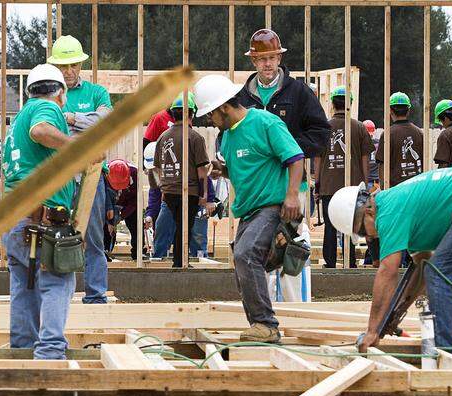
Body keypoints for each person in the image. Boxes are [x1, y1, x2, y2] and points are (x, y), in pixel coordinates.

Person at [328, 166, 452, 353]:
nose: (369, 237)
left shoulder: (388, 210)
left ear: (368, 211)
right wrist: (395, 313)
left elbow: (388, 272)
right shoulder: (403, 206)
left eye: (363, 231)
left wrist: (372, 330)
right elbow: (421, 268)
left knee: (440, 275)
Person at [195, 74, 304, 343]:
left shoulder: (265, 122)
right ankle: (259, 324)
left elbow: (295, 157)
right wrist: (225, 171)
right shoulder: (228, 138)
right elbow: (246, 169)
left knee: (245, 255)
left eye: (211, 114)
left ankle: (265, 325)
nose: (209, 120)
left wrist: (291, 196)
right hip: (248, 211)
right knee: (243, 261)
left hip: (270, 206)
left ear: (223, 107)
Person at [1, 63, 77, 359]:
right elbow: (41, 130)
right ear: (60, 92)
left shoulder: (18, 119)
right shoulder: (47, 108)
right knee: (59, 281)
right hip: (42, 219)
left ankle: (22, 350)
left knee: (24, 285)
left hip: (15, 218)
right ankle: (50, 352)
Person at [48, 35, 111, 304]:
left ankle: (96, 295)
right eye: (64, 66)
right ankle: (58, 295)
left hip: (91, 175)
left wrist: (74, 119)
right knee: (57, 236)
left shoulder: (96, 92)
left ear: (81, 65)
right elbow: (48, 130)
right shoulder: (49, 96)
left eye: (74, 65)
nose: (69, 71)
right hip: (60, 177)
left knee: (93, 237)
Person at [236, 29, 330, 158]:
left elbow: (321, 132)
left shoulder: (299, 92)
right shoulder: (242, 97)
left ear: (279, 58)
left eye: (272, 58)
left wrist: (288, 149)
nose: (268, 64)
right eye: (262, 59)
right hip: (254, 175)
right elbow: (228, 133)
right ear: (254, 61)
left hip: (289, 174)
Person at [316, 87, 373, 269]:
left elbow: (318, 158)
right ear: (349, 103)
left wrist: (317, 183)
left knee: (330, 225)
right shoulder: (359, 127)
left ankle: (330, 263)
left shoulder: (324, 127)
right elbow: (365, 159)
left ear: (333, 104)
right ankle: (350, 262)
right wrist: (364, 183)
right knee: (351, 223)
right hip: (352, 187)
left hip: (329, 185)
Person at [154, 92, 210, 268]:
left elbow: (157, 168)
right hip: (189, 191)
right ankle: (180, 262)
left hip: (169, 191)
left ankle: (179, 261)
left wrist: (163, 189)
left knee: (178, 225)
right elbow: (201, 170)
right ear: (191, 114)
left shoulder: (163, 137)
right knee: (184, 228)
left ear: (172, 113)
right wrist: (203, 194)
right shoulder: (195, 138)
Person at [375, 92, 425, 188]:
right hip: (416, 187)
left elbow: (382, 164)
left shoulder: (388, 134)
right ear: (408, 110)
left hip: (395, 190)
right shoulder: (419, 133)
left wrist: (383, 188)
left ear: (390, 111)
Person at [105, 159, 140, 259]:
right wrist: (110, 221)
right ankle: (105, 252)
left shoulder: (135, 173)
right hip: (109, 203)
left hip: (128, 202)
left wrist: (121, 216)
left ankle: (137, 253)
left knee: (136, 226)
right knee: (106, 229)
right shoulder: (103, 175)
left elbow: (134, 201)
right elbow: (104, 200)